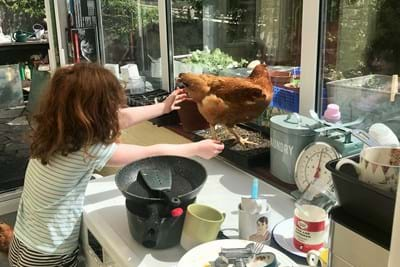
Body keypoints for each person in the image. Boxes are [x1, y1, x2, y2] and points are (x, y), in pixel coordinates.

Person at [7, 63, 224, 266]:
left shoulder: (57, 129)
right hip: (48, 253)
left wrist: (163, 108)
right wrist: (196, 149)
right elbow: (149, 153)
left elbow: (122, 117)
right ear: (96, 110)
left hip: (23, 240)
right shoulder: (86, 149)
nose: (115, 108)